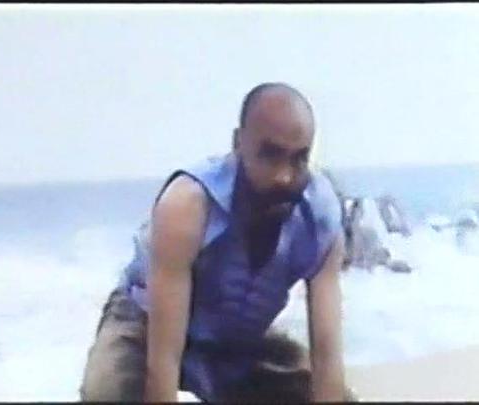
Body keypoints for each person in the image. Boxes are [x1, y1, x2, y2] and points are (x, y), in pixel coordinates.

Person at [79, 82, 352, 402]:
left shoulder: (318, 215)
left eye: (299, 159)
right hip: (148, 323)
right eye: (270, 155)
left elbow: (327, 358)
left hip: (237, 339)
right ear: (239, 144)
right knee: (105, 393)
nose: (284, 176)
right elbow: (163, 359)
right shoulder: (188, 204)